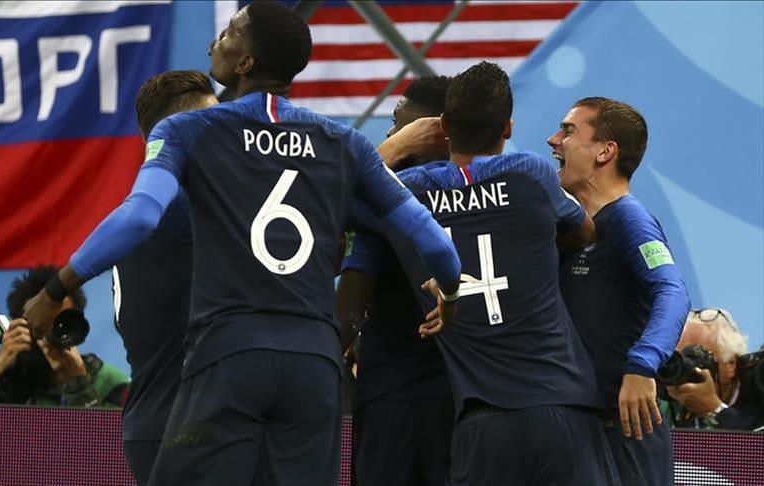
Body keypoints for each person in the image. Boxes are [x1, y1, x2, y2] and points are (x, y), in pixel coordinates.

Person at [23, 2, 461, 485]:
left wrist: (56, 288)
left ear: (246, 62)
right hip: (314, 367)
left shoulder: (190, 131)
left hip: (231, 354)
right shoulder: (342, 143)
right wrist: (449, 291)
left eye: (230, 32)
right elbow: (432, 239)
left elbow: (140, 215)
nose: (216, 42)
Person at [353, 62, 616, 485]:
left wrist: (398, 145)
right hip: (562, 404)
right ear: (508, 128)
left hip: (482, 421)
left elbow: (334, 194)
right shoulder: (531, 173)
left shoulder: (410, 193)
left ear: (442, 126)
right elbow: (586, 231)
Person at [550, 97, 690, 485]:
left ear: (605, 151)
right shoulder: (569, 228)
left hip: (626, 431)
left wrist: (642, 366)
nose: (553, 139)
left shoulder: (629, 218)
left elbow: (672, 291)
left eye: (568, 131)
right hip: (576, 429)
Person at [337, 75, 455, 486]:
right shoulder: (503, 190)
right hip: (468, 396)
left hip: (392, 397)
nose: (389, 134)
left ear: (434, 131)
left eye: (398, 124)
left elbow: (347, 311)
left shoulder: (378, 207)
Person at [115, 70, 217, 486]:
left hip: (156, 422)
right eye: (213, 123)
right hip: (183, 427)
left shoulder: (143, 207)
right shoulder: (177, 204)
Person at [0, 265, 128, 406]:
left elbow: (114, 440)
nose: (51, 333)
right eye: (42, 324)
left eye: (62, 322)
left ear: (77, 325)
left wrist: (79, 386)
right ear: (19, 327)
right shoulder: (1, 381)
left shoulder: (107, 380)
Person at [662, 308, 763, 430]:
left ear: (731, 364)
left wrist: (713, 408)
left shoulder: (759, 383)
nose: (686, 367)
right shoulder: (667, 396)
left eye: (695, 357)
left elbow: (757, 440)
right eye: (679, 357)